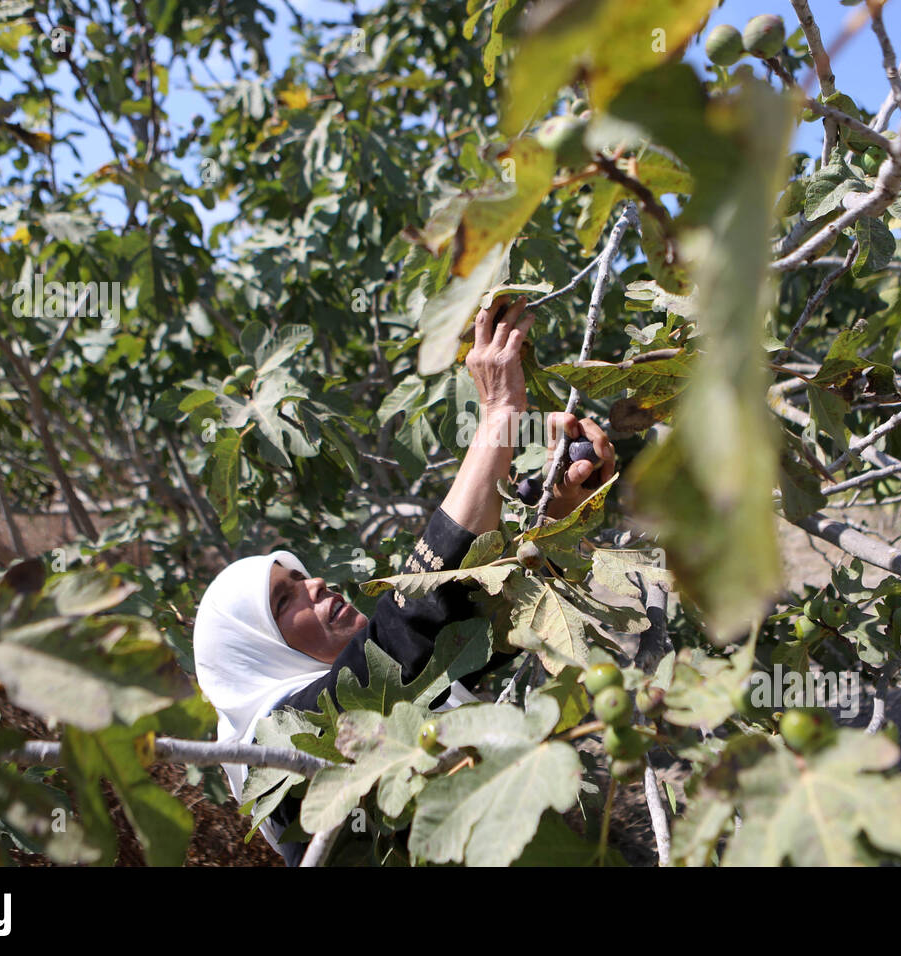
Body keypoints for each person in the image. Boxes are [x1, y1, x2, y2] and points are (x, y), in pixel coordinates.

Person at [192, 295, 618, 865]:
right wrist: (496, 418)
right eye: (283, 599)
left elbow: (482, 620)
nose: (316, 585)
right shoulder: (272, 753)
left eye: (302, 576)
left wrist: (557, 511)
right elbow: (402, 636)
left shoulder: (400, 692)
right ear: (254, 651)